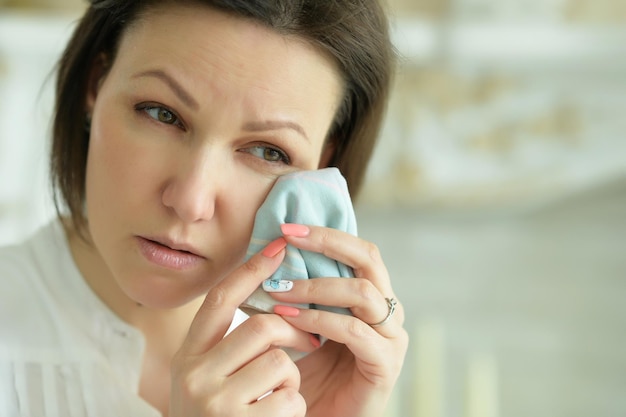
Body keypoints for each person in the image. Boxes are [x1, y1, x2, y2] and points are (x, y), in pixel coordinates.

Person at [0, 0, 408, 416]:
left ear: (323, 167)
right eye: (161, 114)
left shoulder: (314, 377)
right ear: (95, 84)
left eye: (268, 151)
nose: (190, 201)